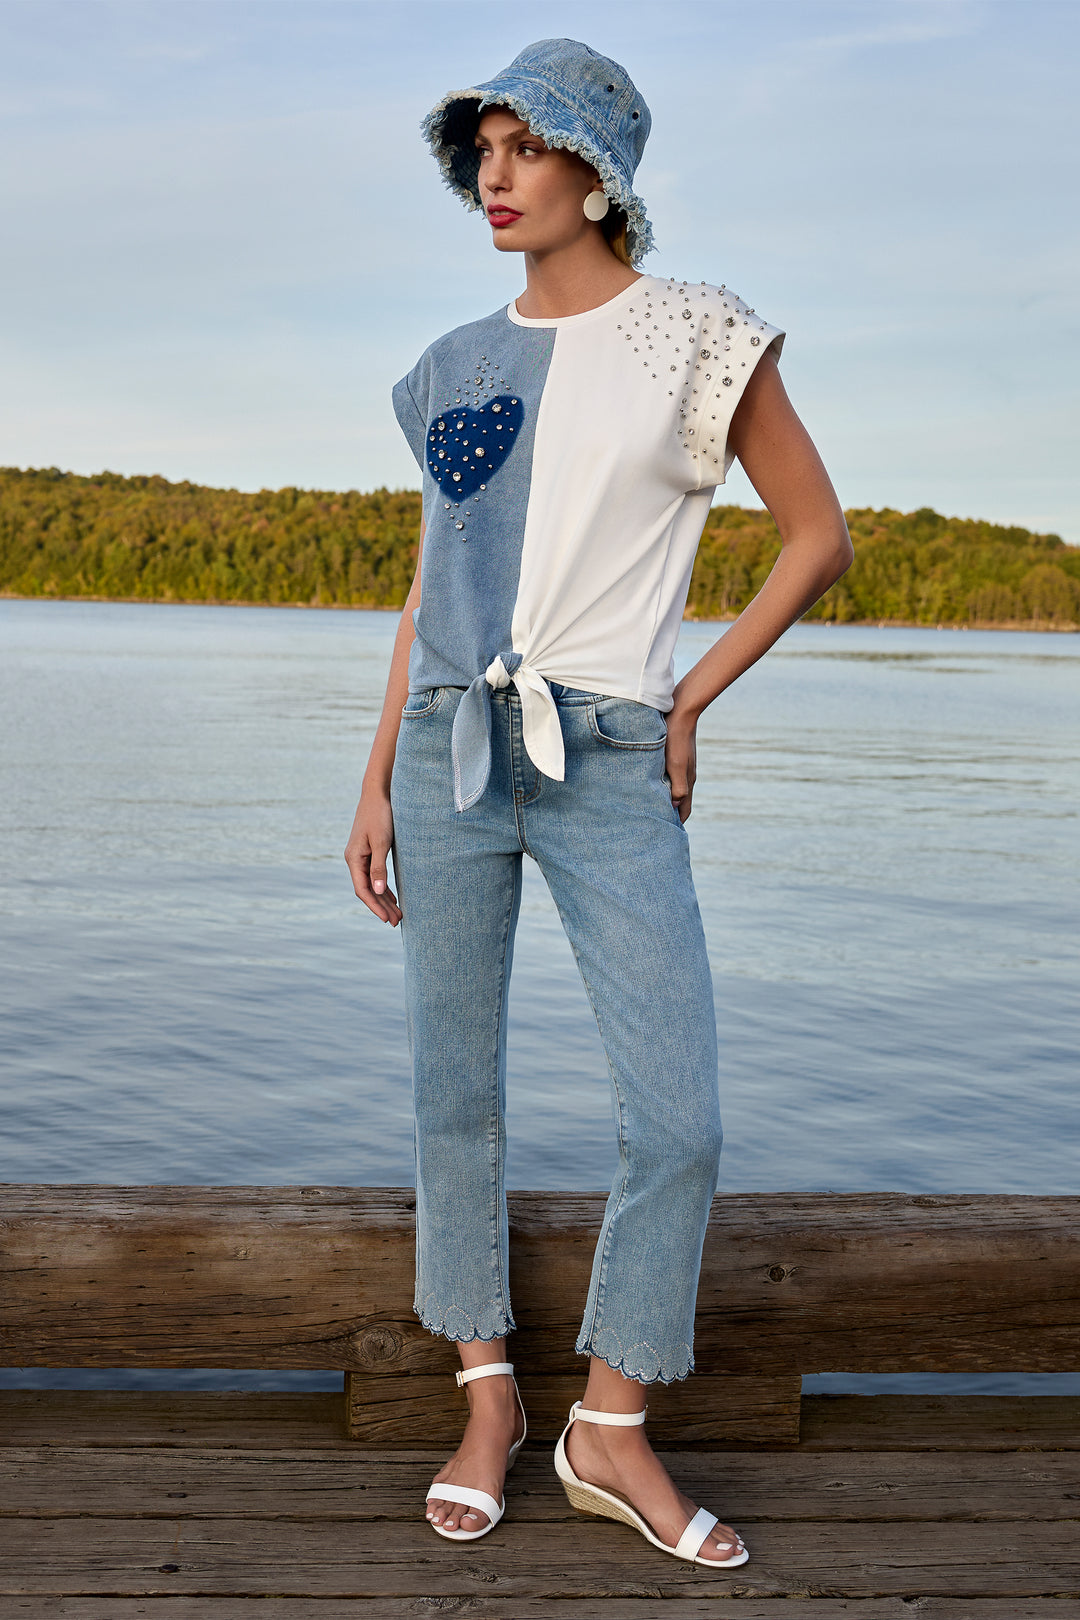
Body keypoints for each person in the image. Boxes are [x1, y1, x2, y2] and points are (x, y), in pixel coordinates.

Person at [345, 37, 853, 1570]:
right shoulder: (448, 367)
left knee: (679, 1117)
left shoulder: (698, 335)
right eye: (482, 149)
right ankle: (488, 1397)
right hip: (448, 745)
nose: (495, 176)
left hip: (609, 755)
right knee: (455, 1095)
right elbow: (434, 583)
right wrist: (371, 772)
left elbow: (815, 537)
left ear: (598, 170)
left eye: (527, 146)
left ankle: (610, 1426)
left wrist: (689, 696)